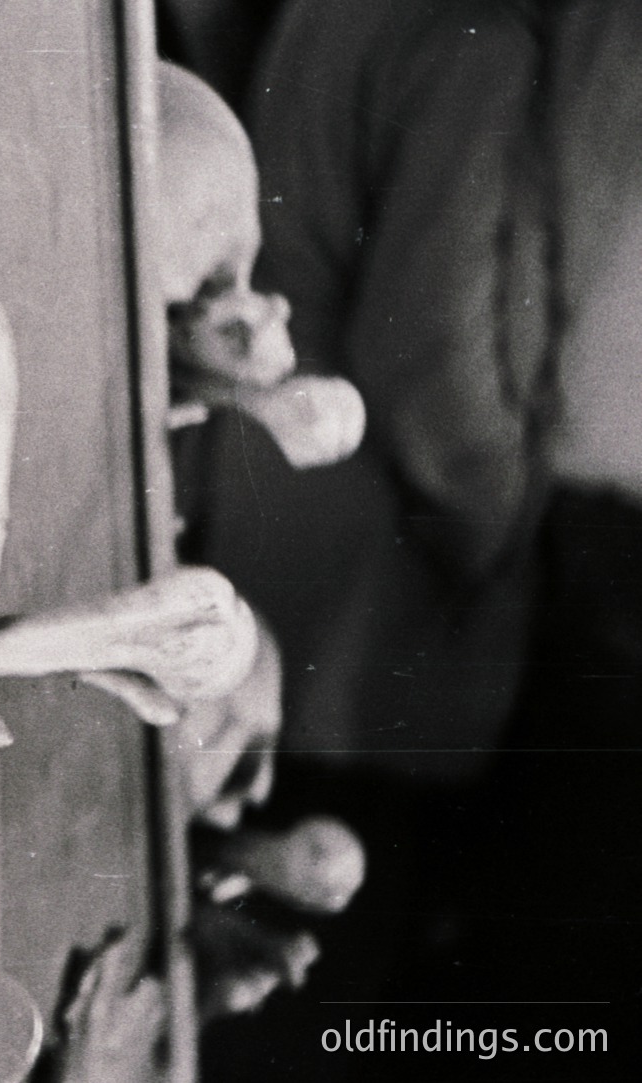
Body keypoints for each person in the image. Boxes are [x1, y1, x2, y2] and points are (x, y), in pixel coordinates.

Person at [193, 1, 642, 1077]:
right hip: (367, 615)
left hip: (273, 567)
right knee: (303, 987)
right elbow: (431, 371)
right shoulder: (465, 38)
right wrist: (509, 540)